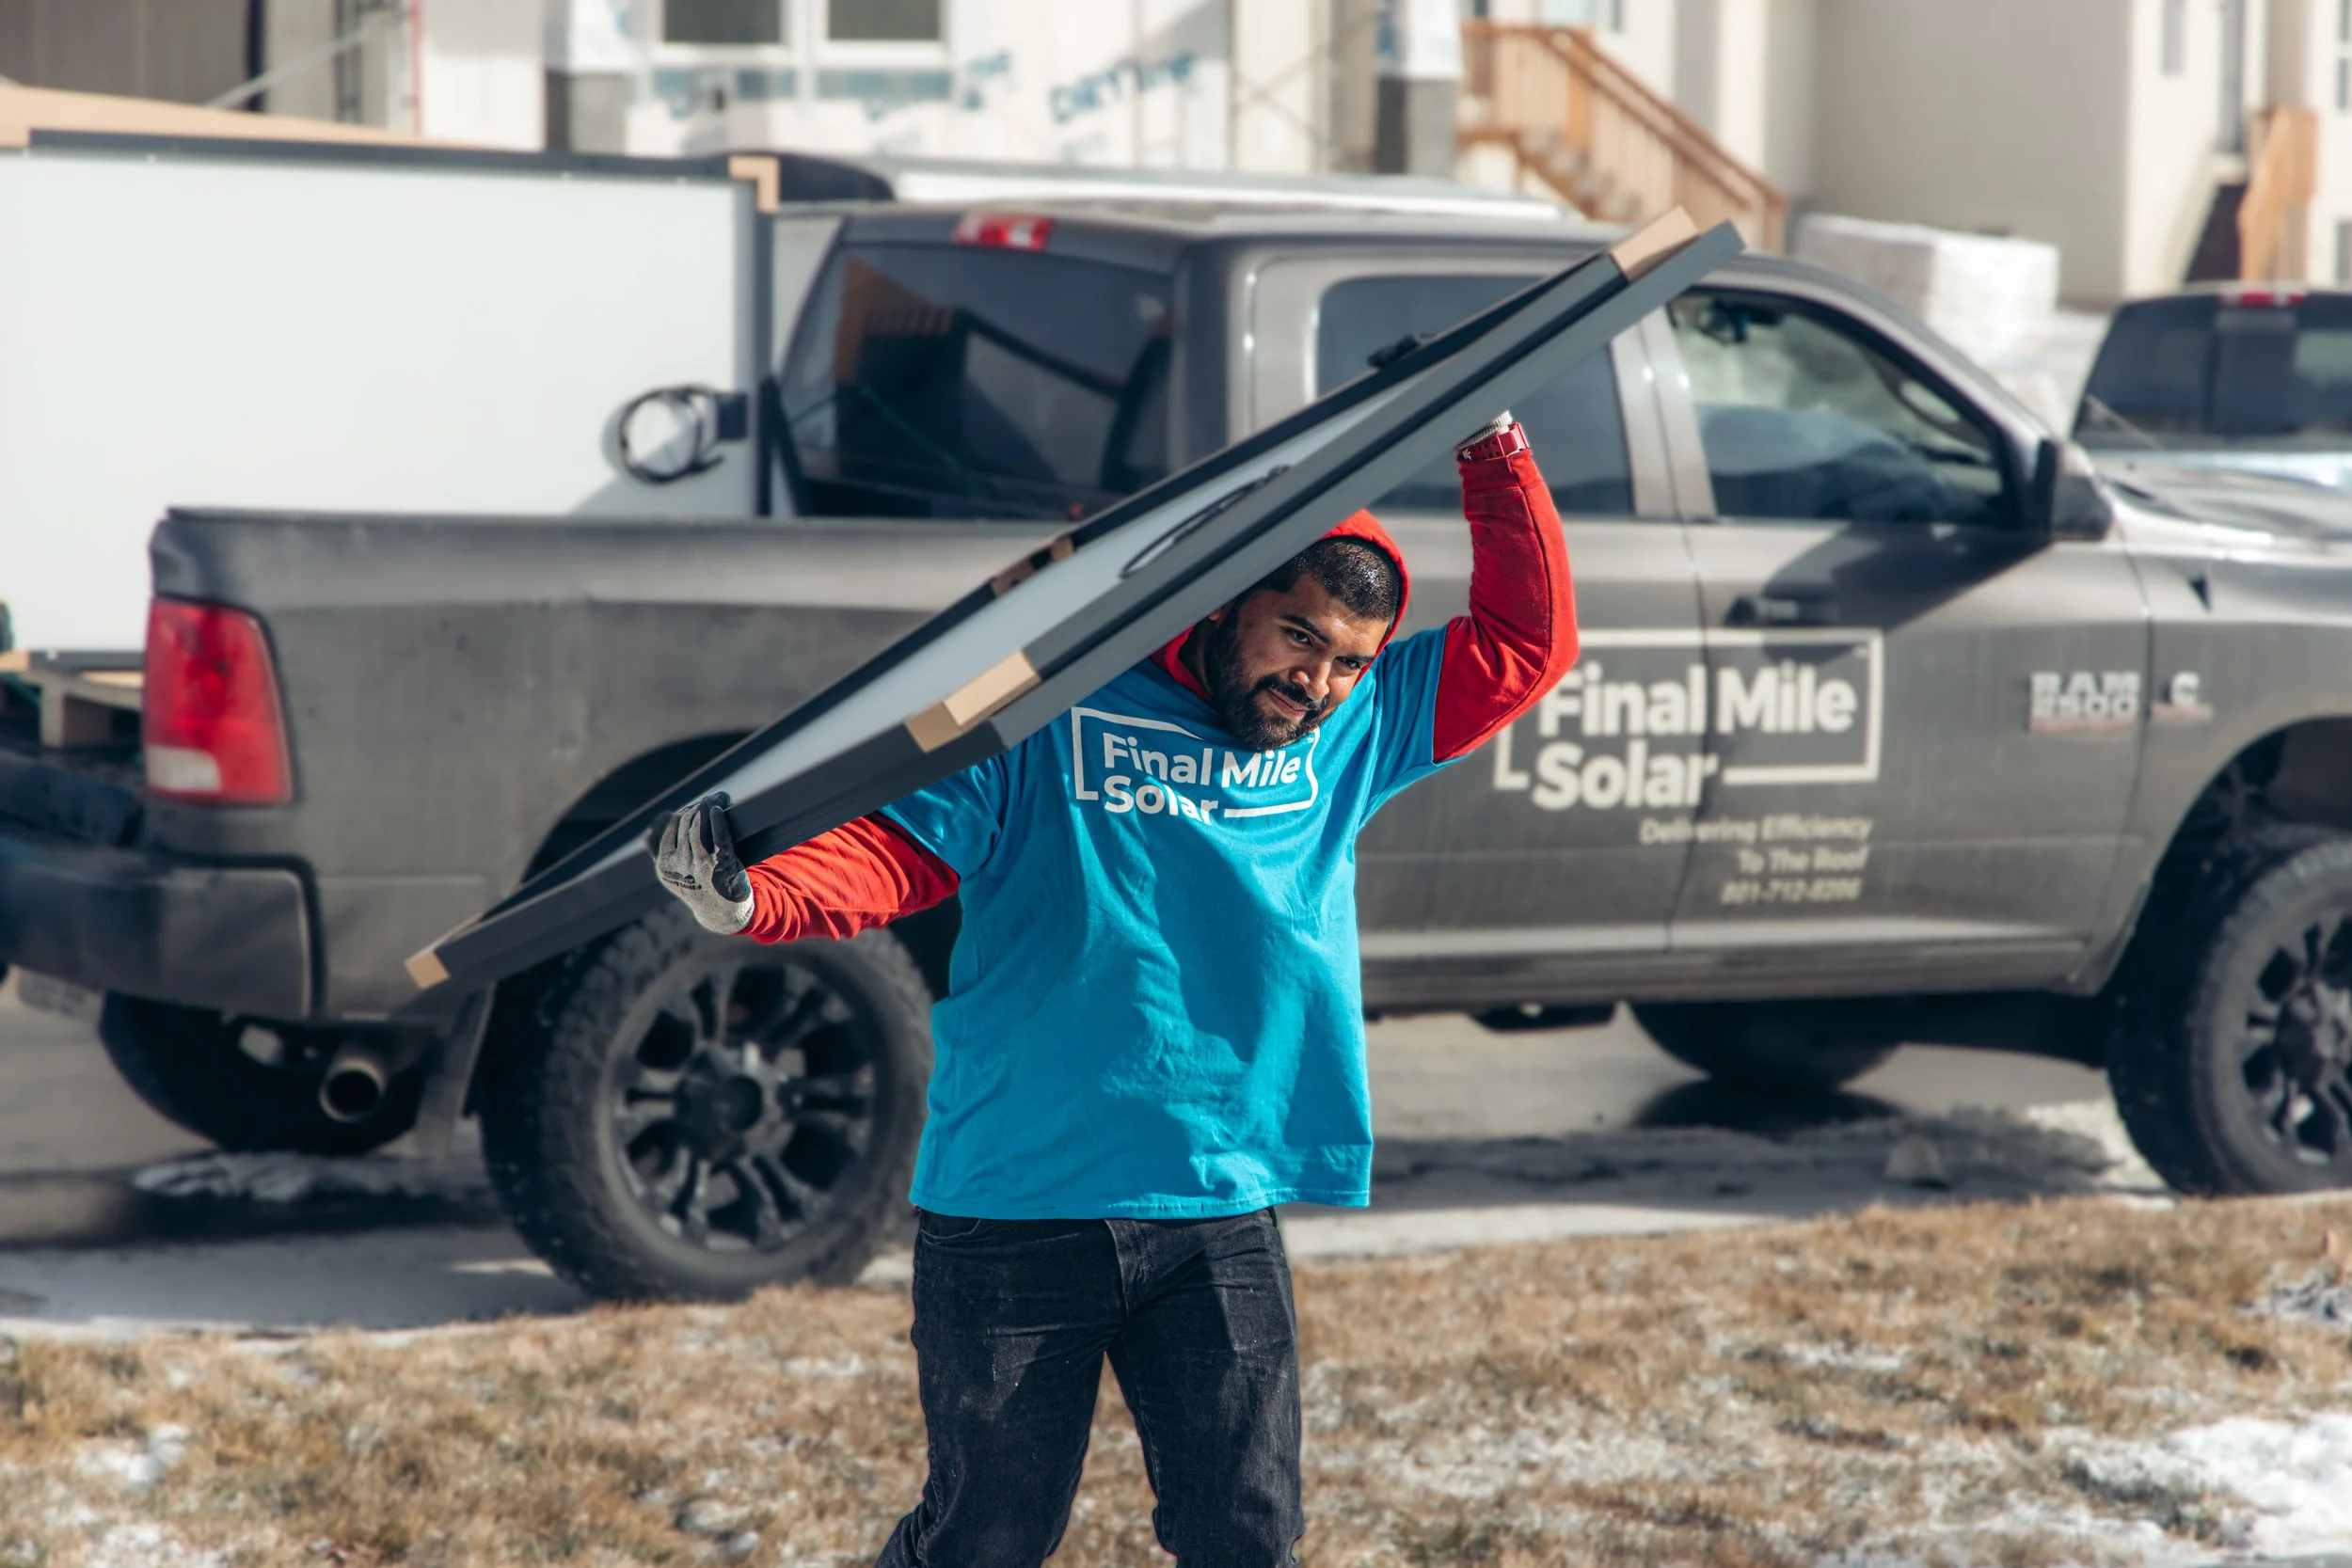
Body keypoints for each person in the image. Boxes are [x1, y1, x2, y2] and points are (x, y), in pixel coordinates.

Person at [650, 413, 1579, 1566]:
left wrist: (1493, 451)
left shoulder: (1361, 727)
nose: (1319, 682)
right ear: (1227, 599)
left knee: (1246, 1532)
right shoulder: (1054, 707)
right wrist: (756, 899)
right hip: (1016, 1204)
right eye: (1298, 637)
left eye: (1348, 658)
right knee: (986, 1534)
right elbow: (903, 852)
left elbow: (1523, 642)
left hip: (1218, 1202)